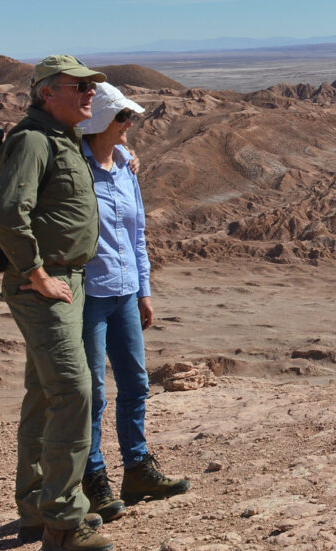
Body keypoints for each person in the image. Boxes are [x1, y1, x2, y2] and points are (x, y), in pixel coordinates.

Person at [0, 54, 115, 551]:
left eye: (91, 86)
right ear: (47, 93)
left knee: (45, 394)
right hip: (45, 285)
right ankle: (63, 522)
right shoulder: (33, 140)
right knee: (73, 392)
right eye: (79, 86)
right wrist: (37, 274)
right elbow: (7, 215)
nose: (90, 93)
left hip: (68, 281)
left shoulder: (63, 138)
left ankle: (36, 508)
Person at [74, 82, 191, 519]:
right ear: (103, 121)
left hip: (124, 292)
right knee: (92, 394)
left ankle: (138, 469)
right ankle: (94, 481)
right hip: (89, 295)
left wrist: (144, 290)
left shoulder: (125, 166)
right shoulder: (75, 168)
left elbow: (136, 234)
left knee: (136, 384)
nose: (130, 124)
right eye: (123, 117)